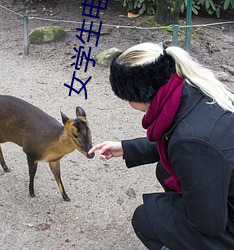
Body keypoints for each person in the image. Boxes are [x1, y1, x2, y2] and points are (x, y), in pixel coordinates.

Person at [88, 42, 234, 250]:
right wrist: (126, 148)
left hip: (225, 222)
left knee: (146, 218)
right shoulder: (193, 88)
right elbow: (178, 139)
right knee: (165, 170)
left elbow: (209, 224)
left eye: (127, 98)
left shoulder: (191, 142)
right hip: (225, 187)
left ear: (139, 93)